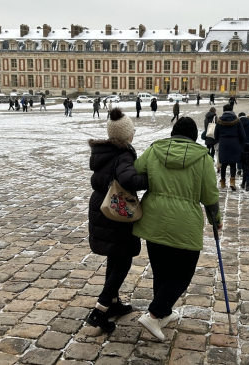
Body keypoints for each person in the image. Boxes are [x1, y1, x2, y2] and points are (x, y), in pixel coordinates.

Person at [133, 117, 221, 341]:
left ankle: (165, 312)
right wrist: (215, 219)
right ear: (193, 137)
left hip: (153, 218)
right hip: (185, 223)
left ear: (173, 133)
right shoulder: (203, 158)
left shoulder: (155, 150)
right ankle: (154, 315)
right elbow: (209, 195)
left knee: (161, 270)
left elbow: (136, 172)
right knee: (183, 273)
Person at [87, 108, 148, 333]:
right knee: (123, 260)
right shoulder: (123, 154)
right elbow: (127, 178)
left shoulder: (104, 151)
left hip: (101, 205)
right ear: (126, 135)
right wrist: (148, 178)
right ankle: (100, 310)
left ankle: (112, 303)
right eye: (132, 131)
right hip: (116, 211)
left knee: (115, 256)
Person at [214, 105, 245, 190]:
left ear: (223, 111)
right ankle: (232, 182)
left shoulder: (219, 121)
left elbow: (215, 135)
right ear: (232, 110)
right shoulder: (237, 121)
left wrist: (221, 139)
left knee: (223, 163)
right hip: (234, 143)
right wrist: (239, 143)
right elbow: (242, 135)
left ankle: (223, 182)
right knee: (233, 163)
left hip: (223, 143)